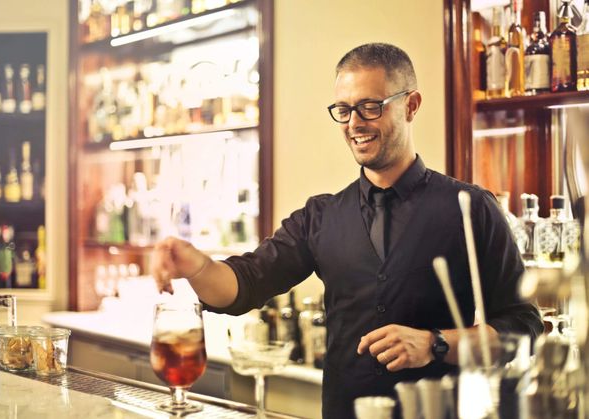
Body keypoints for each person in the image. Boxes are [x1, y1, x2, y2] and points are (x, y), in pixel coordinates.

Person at [150, 43, 543, 418]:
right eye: (344, 109)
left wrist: (434, 344)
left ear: (411, 105)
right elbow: (244, 283)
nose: (355, 123)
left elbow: (521, 327)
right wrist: (197, 266)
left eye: (370, 107)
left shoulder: (471, 208)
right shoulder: (320, 216)